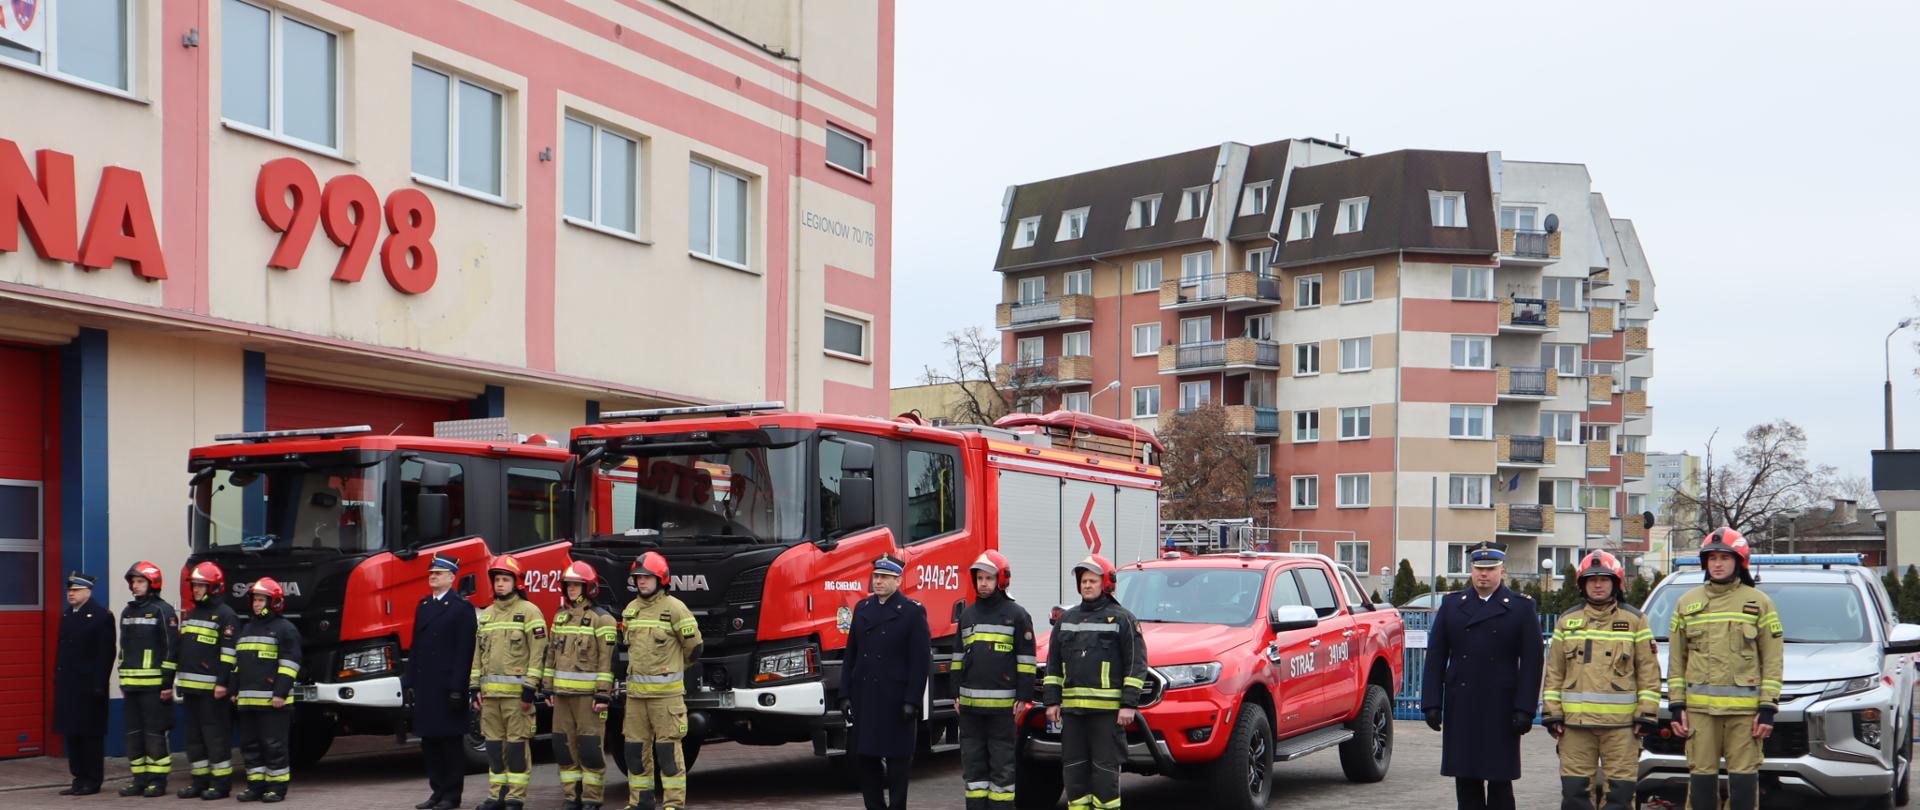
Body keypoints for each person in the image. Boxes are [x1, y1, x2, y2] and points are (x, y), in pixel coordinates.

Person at [1419, 541, 1543, 810]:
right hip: (1462, 703)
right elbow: (1437, 656)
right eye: (1478, 568)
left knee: (1500, 780)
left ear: (1502, 571)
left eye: (1490, 568)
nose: (1483, 574)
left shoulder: (1521, 608)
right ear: (1471, 570)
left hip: (1501, 705)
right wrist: (1431, 703)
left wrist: (1525, 708)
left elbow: (1533, 662)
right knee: (1465, 779)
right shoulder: (1452, 605)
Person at [1666, 528, 1783, 810]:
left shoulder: (1759, 603)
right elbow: (1676, 661)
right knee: (1702, 786)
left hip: (1745, 716)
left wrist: (1767, 708)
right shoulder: (1686, 603)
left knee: (1743, 787)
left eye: (1725, 558)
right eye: (1712, 558)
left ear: (1739, 562)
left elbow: (1773, 659)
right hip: (1699, 714)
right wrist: (1677, 706)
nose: (1717, 564)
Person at [1541, 550, 1660, 810]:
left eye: (1604, 579)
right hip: (1575, 728)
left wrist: (1647, 714)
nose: (1597, 584)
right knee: (1575, 797)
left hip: (1622, 729)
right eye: (1591, 579)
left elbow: (1648, 672)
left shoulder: (1634, 621)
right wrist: (1552, 713)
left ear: (1615, 583)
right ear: (1582, 584)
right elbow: (1554, 673)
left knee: (1619, 798)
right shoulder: (1567, 621)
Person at [1042, 554, 1148, 810]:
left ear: (1106, 584)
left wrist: (1128, 705)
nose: (1087, 585)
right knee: (1074, 771)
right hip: (1073, 714)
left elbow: (1136, 665)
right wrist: (1052, 701)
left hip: (1107, 715)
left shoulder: (1123, 619)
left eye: (1092, 580)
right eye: (1083, 581)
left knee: (1105, 773)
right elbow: (1053, 665)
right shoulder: (1066, 620)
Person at [839, 553, 931, 810]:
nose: (878, 582)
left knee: (898, 764)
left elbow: (919, 662)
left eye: (884, 577)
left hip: (895, 701)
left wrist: (912, 700)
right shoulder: (863, 608)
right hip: (866, 698)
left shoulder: (912, 612)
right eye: (876, 576)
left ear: (898, 580)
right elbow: (851, 656)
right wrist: (845, 694)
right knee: (865, 760)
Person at [955, 551, 1036, 810]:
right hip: (969, 710)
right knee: (974, 771)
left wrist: (1023, 697)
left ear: (1001, 580)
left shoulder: (1017, 614)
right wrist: (954, 694)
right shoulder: (967, 615)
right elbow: (958, 657)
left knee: (1002, 769)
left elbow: (1026, 661)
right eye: (979, 578)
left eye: (989, 578)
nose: (983, 584)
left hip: (1002, 711)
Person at [620, 551, 701, 810]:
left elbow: (694, 648)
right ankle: (640, 802)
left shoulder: (675, 609)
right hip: (635, 697)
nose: (641, 582)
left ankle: (673, 804)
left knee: (668, 753)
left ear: (661, 579)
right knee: (634, 752)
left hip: (666, 698)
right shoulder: (630, 611)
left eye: (647, 577)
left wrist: (673, 668)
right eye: (638, 577)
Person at [470, 554, 548, 810]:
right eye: (497, 580)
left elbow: (539, 653)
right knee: (493, 748)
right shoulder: (487, 615)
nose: (500, 584)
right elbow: (477, 655)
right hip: (490, 697)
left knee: (516, 748)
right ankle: (496, 796)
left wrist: (530, 687)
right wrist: (474, 687)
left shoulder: (529, 612)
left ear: (517, 583)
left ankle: (515, 797)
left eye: (505, 579)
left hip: (517, 698)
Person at [404, 553, 476, 810]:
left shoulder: (461, 607)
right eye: (431, 573)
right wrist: (408, 681)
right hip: (426, 685)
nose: (432, 576)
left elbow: (464, 651)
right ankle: (436, 791)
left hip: (447, 686)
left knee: (449, 742)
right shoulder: (424, 605)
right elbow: (417, 647)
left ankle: (451, 795)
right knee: (430, 742)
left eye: (438, 573)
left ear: (451, 577)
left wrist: (458, 687)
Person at [546, 561, 618, 810]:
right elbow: (550, 657)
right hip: (562, 696)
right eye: (569, 585)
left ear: (589, 587)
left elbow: (606, 662)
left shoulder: (603, 620)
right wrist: (547, 688)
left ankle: (591, 798)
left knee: (590, 749)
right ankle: (570, 797)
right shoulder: (560, 617)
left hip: (589, 699)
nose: (572, 589)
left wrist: (602, 695)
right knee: (564, 747)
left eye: (576, 584)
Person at [175, 562, 242, 799]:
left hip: (213, 691)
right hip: (192, 690)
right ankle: (200, 781)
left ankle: (221, 784)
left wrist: (223, 683)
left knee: (215, 738)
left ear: (213, 587)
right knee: (194, 739)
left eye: (201, 585)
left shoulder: (226, 615)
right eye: (194, 585)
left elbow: (229, 654)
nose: (195, 589)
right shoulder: (193, 614)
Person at [233, 577, 302, 803]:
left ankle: (276, 787)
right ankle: (256, 786)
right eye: (255, 600)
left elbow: (290, 664)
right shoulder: (246, 628)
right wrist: (234, 690)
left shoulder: (285, 629)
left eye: (262, 600)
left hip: (274, 703)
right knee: (250, 746)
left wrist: (280, 693)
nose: (257, 604)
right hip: (247, 702)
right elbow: (237, 664)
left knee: (274, 746)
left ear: (275, 602)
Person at [117, 560, 179, 798]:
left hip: (154, 687)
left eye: (140, 581)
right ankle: (138, 779)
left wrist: (166, 683)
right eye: (133, 582)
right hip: (131, 686)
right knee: (133, 734)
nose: (135, 586)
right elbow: (123, 649)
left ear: (153, 583)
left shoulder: (163, 611)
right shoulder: (127, 611)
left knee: (154, 734)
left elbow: (170, 650)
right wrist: (123, 680)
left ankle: (157, 780)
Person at [53, 572, 114, 797]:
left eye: (76, 590)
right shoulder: (68, 615)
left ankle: (92, 780)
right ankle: (78, 778)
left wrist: (99, 684)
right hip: (69, 685)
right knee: (73, 734)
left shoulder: (100, 616)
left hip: (89, 687)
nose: (71, 593)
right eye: (69, 590)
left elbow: (105, 653)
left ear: (88, 592)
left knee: (90, 735)